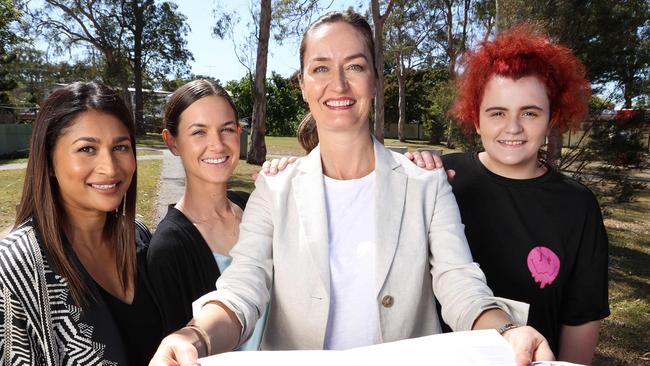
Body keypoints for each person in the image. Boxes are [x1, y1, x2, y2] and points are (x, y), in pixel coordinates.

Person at [149, 11, 552, 366]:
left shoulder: (425, 183)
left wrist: (506, 331)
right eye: (321, 68)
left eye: (355, 66)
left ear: (375, 79)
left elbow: (459, 283)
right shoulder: (275, 188)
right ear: (303, 85)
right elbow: (243, 289)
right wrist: (195, 336)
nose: (338, 84)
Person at [400, 25, 610, 365]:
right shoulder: (440, 180)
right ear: (477, 118)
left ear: (552, 118)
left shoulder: (577, 206)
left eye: (529, 112)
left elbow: (580, 321)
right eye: (497, 113)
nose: (513, 127)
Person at [0, 82, 163, 365]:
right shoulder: (14, 268)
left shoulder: (137, 236)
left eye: (121, 147)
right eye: (87, 148)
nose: (110, 168)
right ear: (49, 162)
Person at [146, 79, 266, 350]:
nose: (217, 145)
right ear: (172, 141)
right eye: (199, 132)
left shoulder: (254, 207)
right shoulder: (169, 248)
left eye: (226, 130)